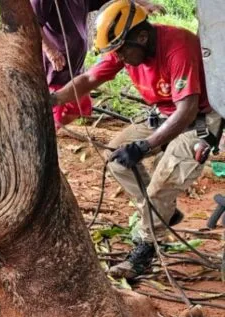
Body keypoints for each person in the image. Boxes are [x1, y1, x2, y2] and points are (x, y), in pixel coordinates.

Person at [51, 0, 223, 279]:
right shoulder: (127, 50)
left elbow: (187, 110)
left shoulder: (178, 47)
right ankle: (161, 214)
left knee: (162, 185)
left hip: (196, 121)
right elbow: (90, 78)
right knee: (117, 160)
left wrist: (145, 145)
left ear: (142, 37)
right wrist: (54, 98)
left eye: (121, 50)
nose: (119, 57)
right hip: (166, 114)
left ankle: (143, 253)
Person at [31, 0, 164, 129]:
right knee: (55, 113)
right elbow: (32, 22)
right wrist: (50, 51)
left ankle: (60, 132)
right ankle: (52, 136)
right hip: (55, 68)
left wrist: (143, 3)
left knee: (79, 108)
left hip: (74, 68)